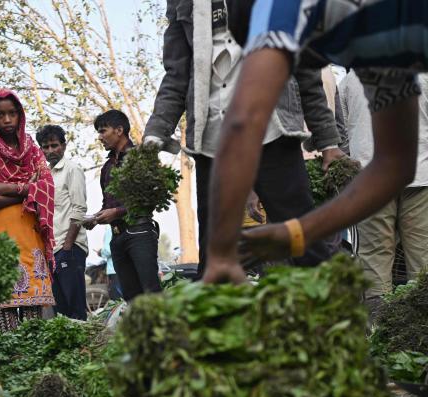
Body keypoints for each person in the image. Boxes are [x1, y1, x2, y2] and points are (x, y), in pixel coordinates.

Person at [202, 0, 428, 284]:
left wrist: (221, 253)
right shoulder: (379, 44)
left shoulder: (282, 6)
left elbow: (243, 120)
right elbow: (394, 165)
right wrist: (297, 233)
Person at [143, 0, 344, 277]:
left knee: (303, 241)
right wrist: (156, 131)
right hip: (213, 140)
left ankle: (329, 313)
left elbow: (303, 68)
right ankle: (216, 317)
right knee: (213, 252)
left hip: (271, 131)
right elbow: (176, 74)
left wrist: (328, 141)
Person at [340, 70, 428, 312]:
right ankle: (420, 333)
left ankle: (378, 332)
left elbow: (342, 137)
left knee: (373, 260)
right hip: (419, 176)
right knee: (423, 261)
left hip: (371, 179)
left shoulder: (351, 79)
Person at [0, 89, 55, 331]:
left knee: (33, 318)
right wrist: (27, 190)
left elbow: (47, 184)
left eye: (12, 114)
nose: (7, 120)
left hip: (29, 232)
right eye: (0, 115)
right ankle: (10, 362)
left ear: (20, 115)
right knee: (5, 311)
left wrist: (8, 188)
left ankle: (34, 363)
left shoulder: (31, 148)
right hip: (1, 235)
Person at [84, 110, 162, 301]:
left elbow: (151, 199)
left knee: (151, 292)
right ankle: (140, 331)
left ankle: (164, 331)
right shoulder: (108, 166)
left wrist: (117, 212)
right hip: (117, 238)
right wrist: (95, 218)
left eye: (103, 131)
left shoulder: (139, 158)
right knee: (131, 297)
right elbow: (107, 204)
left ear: (119, 130)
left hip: (139, 233)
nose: (100, 137)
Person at [37, 124, 89, 320]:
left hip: (70, 247)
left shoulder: (72, 169)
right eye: (45, 147)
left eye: (54, 145)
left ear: (63, 146)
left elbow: (79, 210)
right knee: (61, 311)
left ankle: (84, 350)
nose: (50, 151)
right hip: (52, 249)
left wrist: (68, 246)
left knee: (75, 309)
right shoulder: (45, 175)